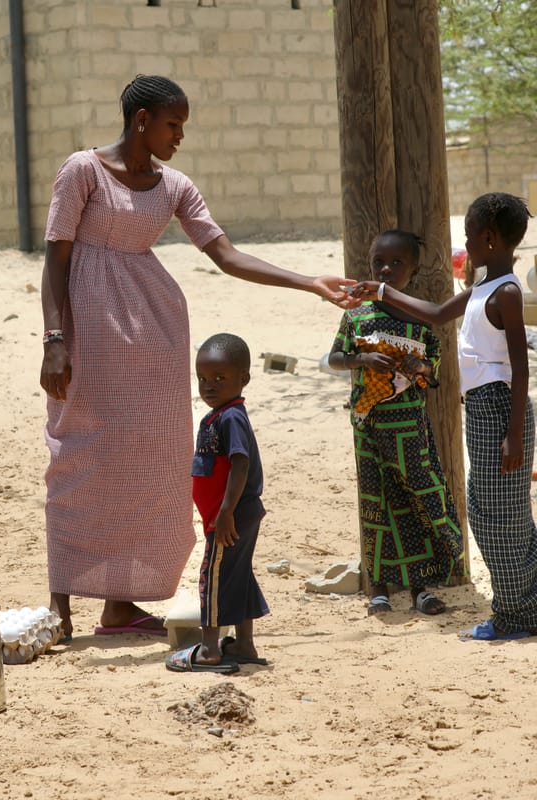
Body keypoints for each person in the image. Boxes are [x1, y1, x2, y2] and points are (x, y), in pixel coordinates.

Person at [39, 75, 355, 639]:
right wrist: (54, 340)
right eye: (173, 124)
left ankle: (119, 605)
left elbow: (226, 255)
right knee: (79, 458)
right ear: (142, 120)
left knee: (150, 461)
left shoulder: (175, 185)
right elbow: (56, 260)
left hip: (155, 332)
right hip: (88, 330)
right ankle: (61, 611)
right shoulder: (81, 171)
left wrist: (310, 282)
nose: (180, 136)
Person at [350, 195, 537, 640]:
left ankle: (516, 616)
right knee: (492, 509)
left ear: (488, 239)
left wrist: (514, 435)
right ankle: (526, 605)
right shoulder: (482, 287)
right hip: (484, 409)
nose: (466, 243)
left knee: (497, 518)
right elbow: (435, 314)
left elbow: (521, 368)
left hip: (500, 409)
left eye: (469, 235)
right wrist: (378, 291)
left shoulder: (507, 293)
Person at [328, 230, 465, 617]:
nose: (386, 269)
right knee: (376, 502)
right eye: (378, 263)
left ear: (414, 270)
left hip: (410, 429)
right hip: (369, 425)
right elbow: (335, 358)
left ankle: (421, 586)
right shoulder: (356, 314)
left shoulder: (422, 321)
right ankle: (380, 588)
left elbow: (433, 372)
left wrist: (417, 364)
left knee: (417, 501)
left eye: (396, 263)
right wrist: (362, 361)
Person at [165, 333, 268, 673]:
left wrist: (224, 513)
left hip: (230, 516)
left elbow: (241, 463)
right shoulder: (221, 414)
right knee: (237, 576)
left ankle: (210, 649)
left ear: (244, 379)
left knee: (214, 577)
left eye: (220, 379)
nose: (209, 386)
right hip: (233, 513)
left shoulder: (231, 418)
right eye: (203, 379)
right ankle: (244, 643)